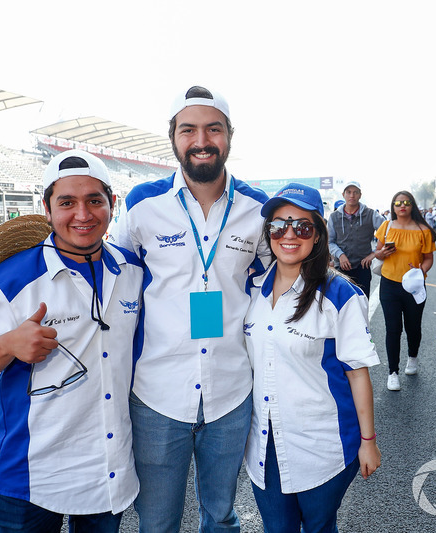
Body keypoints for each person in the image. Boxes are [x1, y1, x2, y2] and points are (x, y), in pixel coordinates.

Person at [0, 150, 142, 532]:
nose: (82, 215)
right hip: (31, 479)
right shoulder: (10, 280)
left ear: (112, 205)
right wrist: (7, 345)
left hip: (108, 474)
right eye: (67, 202)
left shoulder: (132, 271)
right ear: (47, 209)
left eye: (94, 201)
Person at [109, 86, 272, 532]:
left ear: (229, 136)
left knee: (220, 517)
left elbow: (280, 280)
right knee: (158, 522)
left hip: (231, 391)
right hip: (157, 394)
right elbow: (109, 275)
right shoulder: (142, 203)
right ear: (173, 137)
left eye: (213, 128)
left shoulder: (258, 209)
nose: (201, 139)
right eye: (189, 130)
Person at [245, 183, 381, 532]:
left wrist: (369, 442)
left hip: (324, 444)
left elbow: (357, 372)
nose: (289, 235)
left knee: (320, 527)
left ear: (318, 235)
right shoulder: (250, 289)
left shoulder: (341, 294)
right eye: (278, 226)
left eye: (302, 227)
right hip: (264, 443)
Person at [374, 190, 436, 391]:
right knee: (393, 329)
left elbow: (428, 258)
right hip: (389, 284)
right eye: (398, 203)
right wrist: (382, 253)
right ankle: (393, 372)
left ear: (413, 206)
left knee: (413, 326)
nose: (402, 206)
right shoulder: (386, 226)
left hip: (415, 285)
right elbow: (378, 253)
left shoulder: (423, 230)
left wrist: (420, 271)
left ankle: (413, 357)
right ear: (393, 206)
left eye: (407, 202)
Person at [327, 181, 385, 297]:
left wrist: (374, 253)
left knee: (362, 303)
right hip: (341, 268)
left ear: (360, 195)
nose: (352, 195)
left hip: (362, 267)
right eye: (348, 192)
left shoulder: (371, 214)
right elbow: (329, 242)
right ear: (343, 195)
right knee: (341, 305)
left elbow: (389, 233)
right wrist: (340, 255)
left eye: (355, 192)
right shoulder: (334, 217)